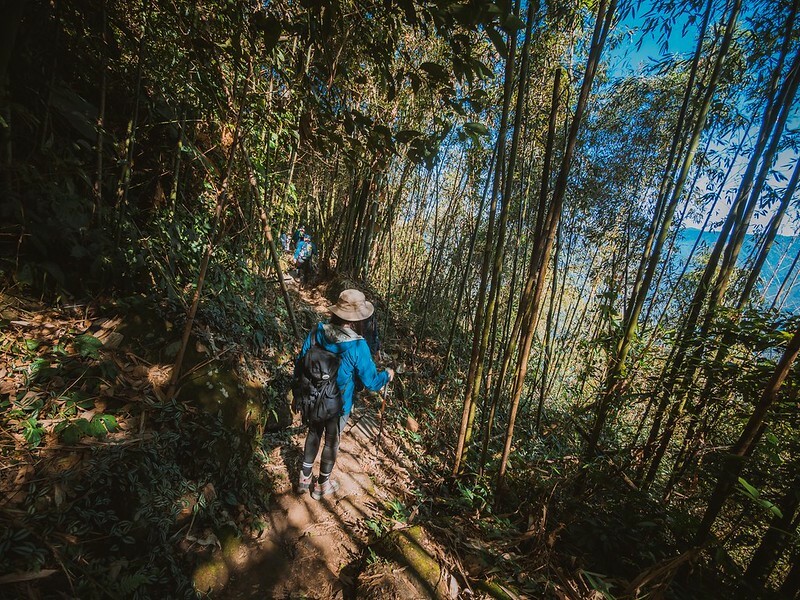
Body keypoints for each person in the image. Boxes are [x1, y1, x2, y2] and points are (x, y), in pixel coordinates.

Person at [295, 289, 394, 499]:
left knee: (313, 433)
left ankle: (304, 479)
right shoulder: (358, 345)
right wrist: (387, 375)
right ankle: (322, 485)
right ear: (358, 320)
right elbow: (372, 383)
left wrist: (301, 390)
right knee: (332, 440)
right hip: (338, 403)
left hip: (312, 396)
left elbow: (301, 361)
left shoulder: (317, 331)